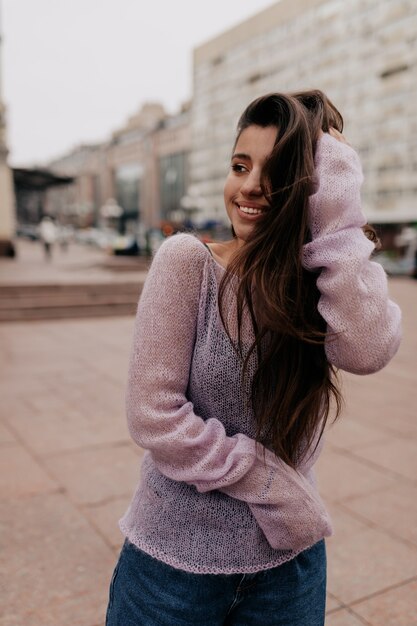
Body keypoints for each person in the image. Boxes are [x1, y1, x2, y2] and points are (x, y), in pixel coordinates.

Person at [105, 91, 402, 626]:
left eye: (277, 171)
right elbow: (154, 415)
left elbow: (369, 349)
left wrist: (335, 213)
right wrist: (272, 486)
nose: (248, 187)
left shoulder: (324, 287)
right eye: (240, 165)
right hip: (173, 569)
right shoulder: (187, 262)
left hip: (290, 570)